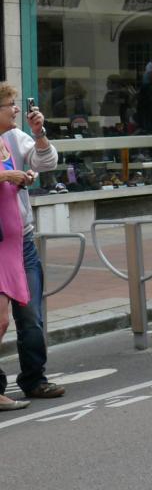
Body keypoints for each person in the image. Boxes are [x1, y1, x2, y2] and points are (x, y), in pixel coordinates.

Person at [0, 94, 63, 402]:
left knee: (31, 316)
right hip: (1, 243)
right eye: (10, 104)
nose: (16, 109)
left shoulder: (14, 136)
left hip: (20, 240)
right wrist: (8, 176)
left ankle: (34, 378)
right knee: (0, 320)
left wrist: (39, 134)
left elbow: (47, 162)